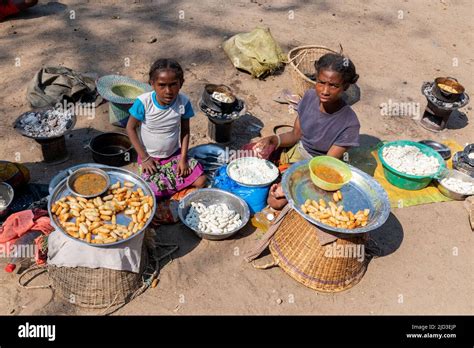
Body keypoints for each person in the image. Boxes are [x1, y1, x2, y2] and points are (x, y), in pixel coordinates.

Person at [256, 53, 360, 209]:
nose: (325, 90)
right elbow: (295, 135)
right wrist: (273, 140)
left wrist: (291, 181)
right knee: (251, 151)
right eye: (321, 82)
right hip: (299, 150)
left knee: (275, 202)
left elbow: (325, 165)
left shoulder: (349, 123)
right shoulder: (310, 96)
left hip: (318, 167)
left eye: (333, 85)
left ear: (345, 87)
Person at [126, 58, 206, 200]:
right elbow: (130, 128)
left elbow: (185, 131)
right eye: (162, 85)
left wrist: (183, 159)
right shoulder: (144, 102)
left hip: (174, 155)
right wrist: (144, 158)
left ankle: (176, 196)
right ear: (152, 84)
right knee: (152, 193)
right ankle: (175, 194)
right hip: (150, 157)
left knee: (201, 180)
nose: (168, 91)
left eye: (173, 84)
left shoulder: (183, 102)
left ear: (181, 83)